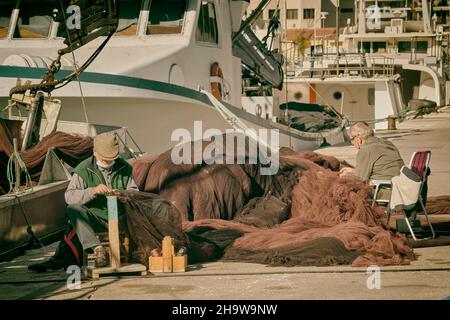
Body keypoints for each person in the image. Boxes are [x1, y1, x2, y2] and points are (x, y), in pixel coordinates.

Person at [28, 132, 138, 272]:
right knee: (74, 210)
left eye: (111, 159)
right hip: (95, 220)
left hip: (121, 218)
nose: (108, 162)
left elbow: (135, 192)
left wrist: (122, 194)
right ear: (95, 152)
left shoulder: (125, 167)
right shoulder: (83, 169)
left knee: (72, 229)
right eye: (105, 159)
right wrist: (92, 191)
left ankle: (59, 260)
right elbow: (69, 197)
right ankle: (97, 248)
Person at [339, 121, 404, 182]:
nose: (352, 143)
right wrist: (354, 171)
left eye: (351, 139)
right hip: (400, 182)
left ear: (358, 138)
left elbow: (360, 179)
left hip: (384, 187)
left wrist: (345, 176)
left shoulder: (365, 150)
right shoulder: (387, 143)